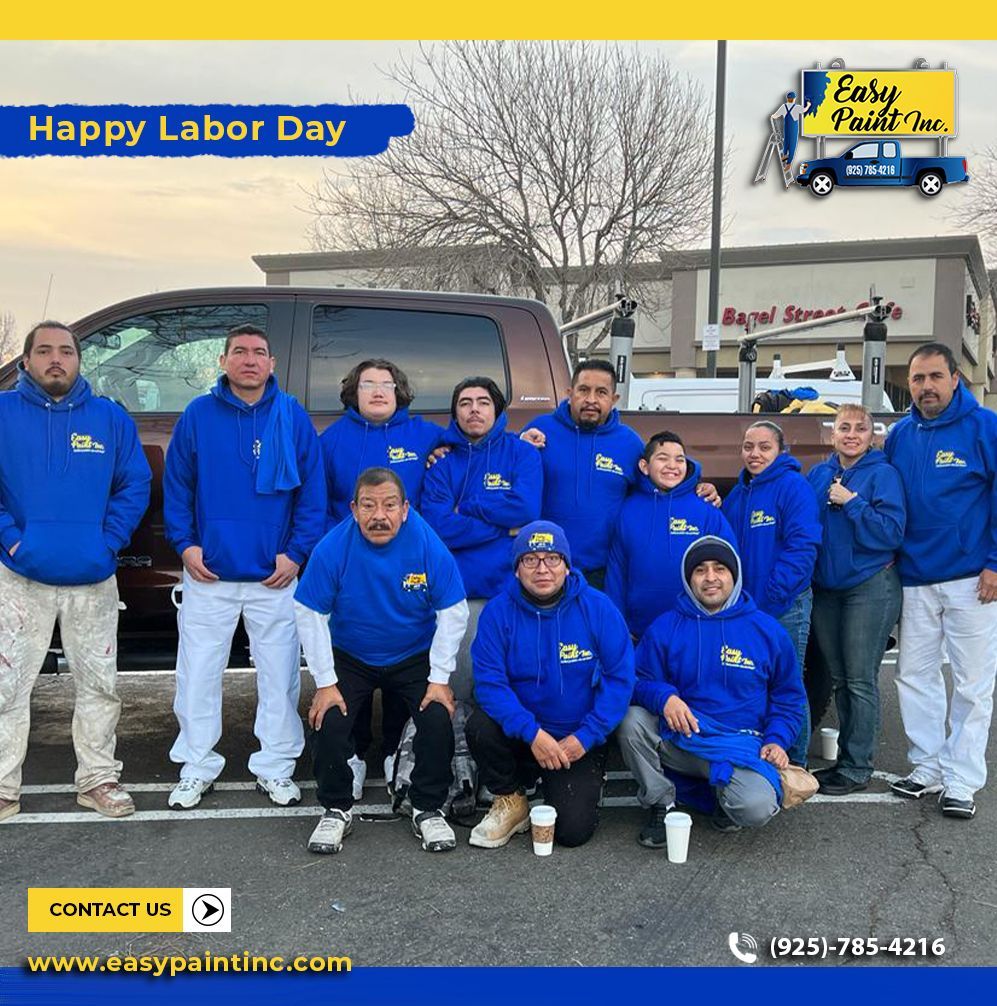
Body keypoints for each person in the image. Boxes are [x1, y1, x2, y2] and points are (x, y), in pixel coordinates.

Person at [163, 323, 326, 810]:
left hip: (273, 576)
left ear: (272, 363)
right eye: (240, 352)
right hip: (208, 573)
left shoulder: (291, 417)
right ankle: (196, 765)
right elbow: (178, 489)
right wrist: (186, 546)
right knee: (198, 673)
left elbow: (312, 494)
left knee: (278, 675)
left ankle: (275, 766)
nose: (250, 359)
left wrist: (296, 552)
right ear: (223, 361)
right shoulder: (198, 415)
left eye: (259, 352)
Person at [0, 321, 151, 821]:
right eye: (44, 351)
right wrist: (13, 539)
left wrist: (107, 541)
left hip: (92, 577)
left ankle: (98, 780)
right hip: (20, 576)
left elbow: (135, 485)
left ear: (80, 361)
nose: (56, 359)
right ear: (26, 362)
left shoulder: (109, 418)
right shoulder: (2, 413)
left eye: (66, 351)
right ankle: (3, 787)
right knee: (8, 685)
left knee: (100, 684)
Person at [294, 467, 469, 855]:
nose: (379, 516)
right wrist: (324, 682)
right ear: (353, 509)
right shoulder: (332, 548)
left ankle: (426, 807)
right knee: (329, 720)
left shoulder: (425, 542)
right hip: (352, 654)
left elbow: (454, 611)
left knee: (438, 717)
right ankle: (336, 808)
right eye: (369, 506)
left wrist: (439, 678)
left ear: (405, 509)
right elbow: (308, 613)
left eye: (390, 505)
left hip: (411, 654)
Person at [618, 537, 805, 843]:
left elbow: (788, 699)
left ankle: (721, 796)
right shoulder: (666, 627)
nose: (710, 578)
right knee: (632, 720)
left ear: (735, 574)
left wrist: (777, 740)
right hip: (681, 738)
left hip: (739, 746)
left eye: (720, 569)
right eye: (700, 570)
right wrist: (665, 698)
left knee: (755, 807)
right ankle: (661, 802)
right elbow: (637, 681)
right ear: (688, 578)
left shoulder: (768, 631)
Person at [466, 521, 634, 849]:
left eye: (553, 558)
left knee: (572, 833)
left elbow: (620, 679)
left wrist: (586, 737)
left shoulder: (599, 609)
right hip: (524, 734)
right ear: (516, 570)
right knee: (479, 726)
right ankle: (511, 797)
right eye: (531, 559)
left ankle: (561, 783)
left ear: (568, 566)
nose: (542, 568)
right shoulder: (498, 613)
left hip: (576, 738)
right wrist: (532, 734)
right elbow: (489, 683)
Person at [318, 358, 444, 793]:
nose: (376, 391)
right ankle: (352, 755)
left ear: (399, 392)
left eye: (385, 385)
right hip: (353, 571)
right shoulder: (332, 440)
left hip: (408, 570)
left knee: (402, 663)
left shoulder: (425, 435)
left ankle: (395, 751)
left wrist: (528, 439)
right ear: (353, 391)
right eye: (367, 384)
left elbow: (473, 443)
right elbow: (319, 504)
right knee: (353, 657)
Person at [884, 343, 997, 819]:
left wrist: (994, 560)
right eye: (917, 379)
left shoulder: (985, 427)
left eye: (934, 376)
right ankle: (927, 765)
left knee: (972, 682)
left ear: (956, 379)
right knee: (914, 674)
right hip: (914, 576)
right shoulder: (900, 435)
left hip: (973, 577)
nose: (926, 387)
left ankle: (962, 780)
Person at [421, 376, 543, 698]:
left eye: (483, 402)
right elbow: (438, 527)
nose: (474, 410)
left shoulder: (522, 453)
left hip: (510, 588)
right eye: (465, 403)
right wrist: (502, 528)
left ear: (498, 410)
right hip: (459, 589)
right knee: (459, 681)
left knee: (510, 678)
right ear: (455, 413)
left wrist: (469, 507)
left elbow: (526, 508)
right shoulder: (442, 461)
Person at [807, 405, 905, 795]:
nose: (851, 434)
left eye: (859, 428)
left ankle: (857, 765)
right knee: (840, 678)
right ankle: (846, 759)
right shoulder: (817, 474)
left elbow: (891, 534)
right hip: (827, 590)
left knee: (861, 679)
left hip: (869, 586)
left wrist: (852, 502)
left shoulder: (883, 475)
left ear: (872, 436)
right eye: (844, 427)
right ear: (833, 434)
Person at [721, 420, 819, 765]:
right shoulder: (740, 493)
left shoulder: (793, 487)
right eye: (749, 447)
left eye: (764, 447)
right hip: (749, 610)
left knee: (788, 686)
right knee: (756, 683)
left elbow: (803, 547)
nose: (755, 454)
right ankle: (766, 757)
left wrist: (774, 596)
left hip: (784, 607)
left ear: (780, 451)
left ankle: (795, 764)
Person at [520, 360, 643, 588]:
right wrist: (516, 441)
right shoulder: (540, 430)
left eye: (601, 392)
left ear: (614, 400)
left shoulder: (629, 443)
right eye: (583, 390)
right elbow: (504, 467)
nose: (591, 400)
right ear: (569, 393)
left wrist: (695, 483)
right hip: (545, 568)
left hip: (603, 573)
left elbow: (658, 485)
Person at [606, 431, 736, 639]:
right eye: (662, 458)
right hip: (639, 632)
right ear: (644, 467)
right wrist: (618, 623)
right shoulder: (628, 510)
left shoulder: (706, 508)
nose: (672, 466)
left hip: (695, 629)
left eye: (679, 459)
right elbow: (617, 572)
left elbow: (731, 566)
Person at [771, 91, 811, 170]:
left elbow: (776, 116)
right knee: (792, 145)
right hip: (793, 129)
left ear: (787, 98)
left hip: (786, 127)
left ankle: (784, 155)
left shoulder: (783, 106)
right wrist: (808, 105)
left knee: (786, 142)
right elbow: (805, 110)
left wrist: (772, 116)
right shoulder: (797, 107)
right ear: (794, 99)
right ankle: (789, 164)